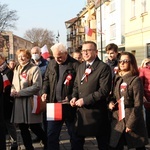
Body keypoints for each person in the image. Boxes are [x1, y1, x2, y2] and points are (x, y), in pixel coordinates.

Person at [70, 41, 112, 150]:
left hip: (97, 112)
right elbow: (76, 85)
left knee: (103, 143)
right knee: (76, 141)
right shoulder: (81, 67)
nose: (85, 53)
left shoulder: (103, 67)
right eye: (83, 50)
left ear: (96, 52)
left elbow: (104, 91)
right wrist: (74, 97)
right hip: (81, 112)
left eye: (89, 50)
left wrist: (85, 100)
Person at [41, 43, 80, 150]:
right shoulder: (52, 63)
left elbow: (78, 85)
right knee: (51, 135)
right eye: (55, 57)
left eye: (60, 57)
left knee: (74, 135)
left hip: (69, 106)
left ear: (66, 53)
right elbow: (46, 80)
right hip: (54, 105)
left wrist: (72, 96)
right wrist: (44, 91)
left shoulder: (75, 65)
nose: (57, 59)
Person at [108, 52, 148, 150]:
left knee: (138, 146)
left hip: (132, 119)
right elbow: (113, 96)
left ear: (132, 63)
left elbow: (138, 104)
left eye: (125, 61)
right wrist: (110, 103)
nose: (122, 63)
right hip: (118, 119)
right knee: (115, 145)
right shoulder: (117, 79)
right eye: (120, 61)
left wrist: (131, 123)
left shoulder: (135, 80)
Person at [10, 49, 47, 150]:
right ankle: (29, 147)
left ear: (28, 57)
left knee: (34, 126)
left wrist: (21, 93)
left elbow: (37, 86)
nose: (21, 58)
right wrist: (12, 91)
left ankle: (47, 142)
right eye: (19, 57)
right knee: (22, 127)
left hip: (30, 101)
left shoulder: (34, 68)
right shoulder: (16, 68)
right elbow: (13, 84)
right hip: (19, 103)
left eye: (23, 56)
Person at [0, 54, 18, 150]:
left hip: (7, 101)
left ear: (3, 59)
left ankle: (14, 142)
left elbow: (10, 86)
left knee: (9, 123)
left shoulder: (8, 71)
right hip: (1, 101)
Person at [31, 46, 48, 142]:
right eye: (33, 52)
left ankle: (46, 137)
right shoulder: (29, 64)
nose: (34, 54)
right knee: (36, 117)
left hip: (43, 94)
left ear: (40, 53)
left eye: (36, 52)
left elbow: (47, 79)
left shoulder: (46, 64)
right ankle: (39, 135)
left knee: (45, 117)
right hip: (32, 94)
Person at [139, 58, 150, 137]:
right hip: (148, 97)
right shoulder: (143, 70)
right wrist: (142, 95)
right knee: (148, 116)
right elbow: (140, 84)